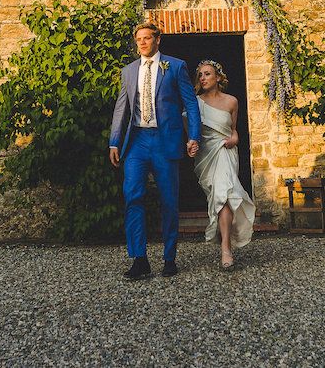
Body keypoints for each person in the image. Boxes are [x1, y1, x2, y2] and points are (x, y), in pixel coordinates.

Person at [109, 23, 201, 280]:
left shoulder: (176, 66)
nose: (142, 43)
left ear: (157, 40)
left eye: (147, 38)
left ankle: (169, 257)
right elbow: (121, 108)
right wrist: (114, 141)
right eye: (138, 39)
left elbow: (191, 103)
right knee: (133, 196)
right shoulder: (128, 71)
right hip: (137, 140)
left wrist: (193, 136)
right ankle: (140, 259)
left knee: (169, 200)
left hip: (165, 140)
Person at [190, 60, 256, 269]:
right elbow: (190, 132)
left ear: (218, 77)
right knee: (218, 196)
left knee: (225, 195)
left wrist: (235, 139)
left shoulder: (231, 102)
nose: (203, 78)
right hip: (207, 154)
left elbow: (234, 129)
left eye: (207, 74)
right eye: (200, 74)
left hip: (226, 152)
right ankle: (224, 237)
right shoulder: (195, 102)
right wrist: (191, 144)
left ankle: (226, 248)